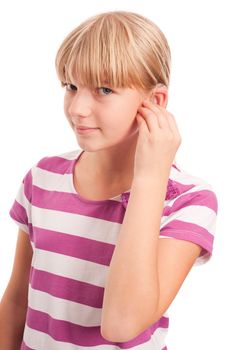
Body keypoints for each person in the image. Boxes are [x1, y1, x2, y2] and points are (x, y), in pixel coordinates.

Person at [0, 10, 218, 349]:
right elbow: (16, 300)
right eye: (71, 86)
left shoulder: (190, 201)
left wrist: (149, 177)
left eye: (103, 89)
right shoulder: (42, 178)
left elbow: (122, 324)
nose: (77, 108)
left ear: (154, 102)